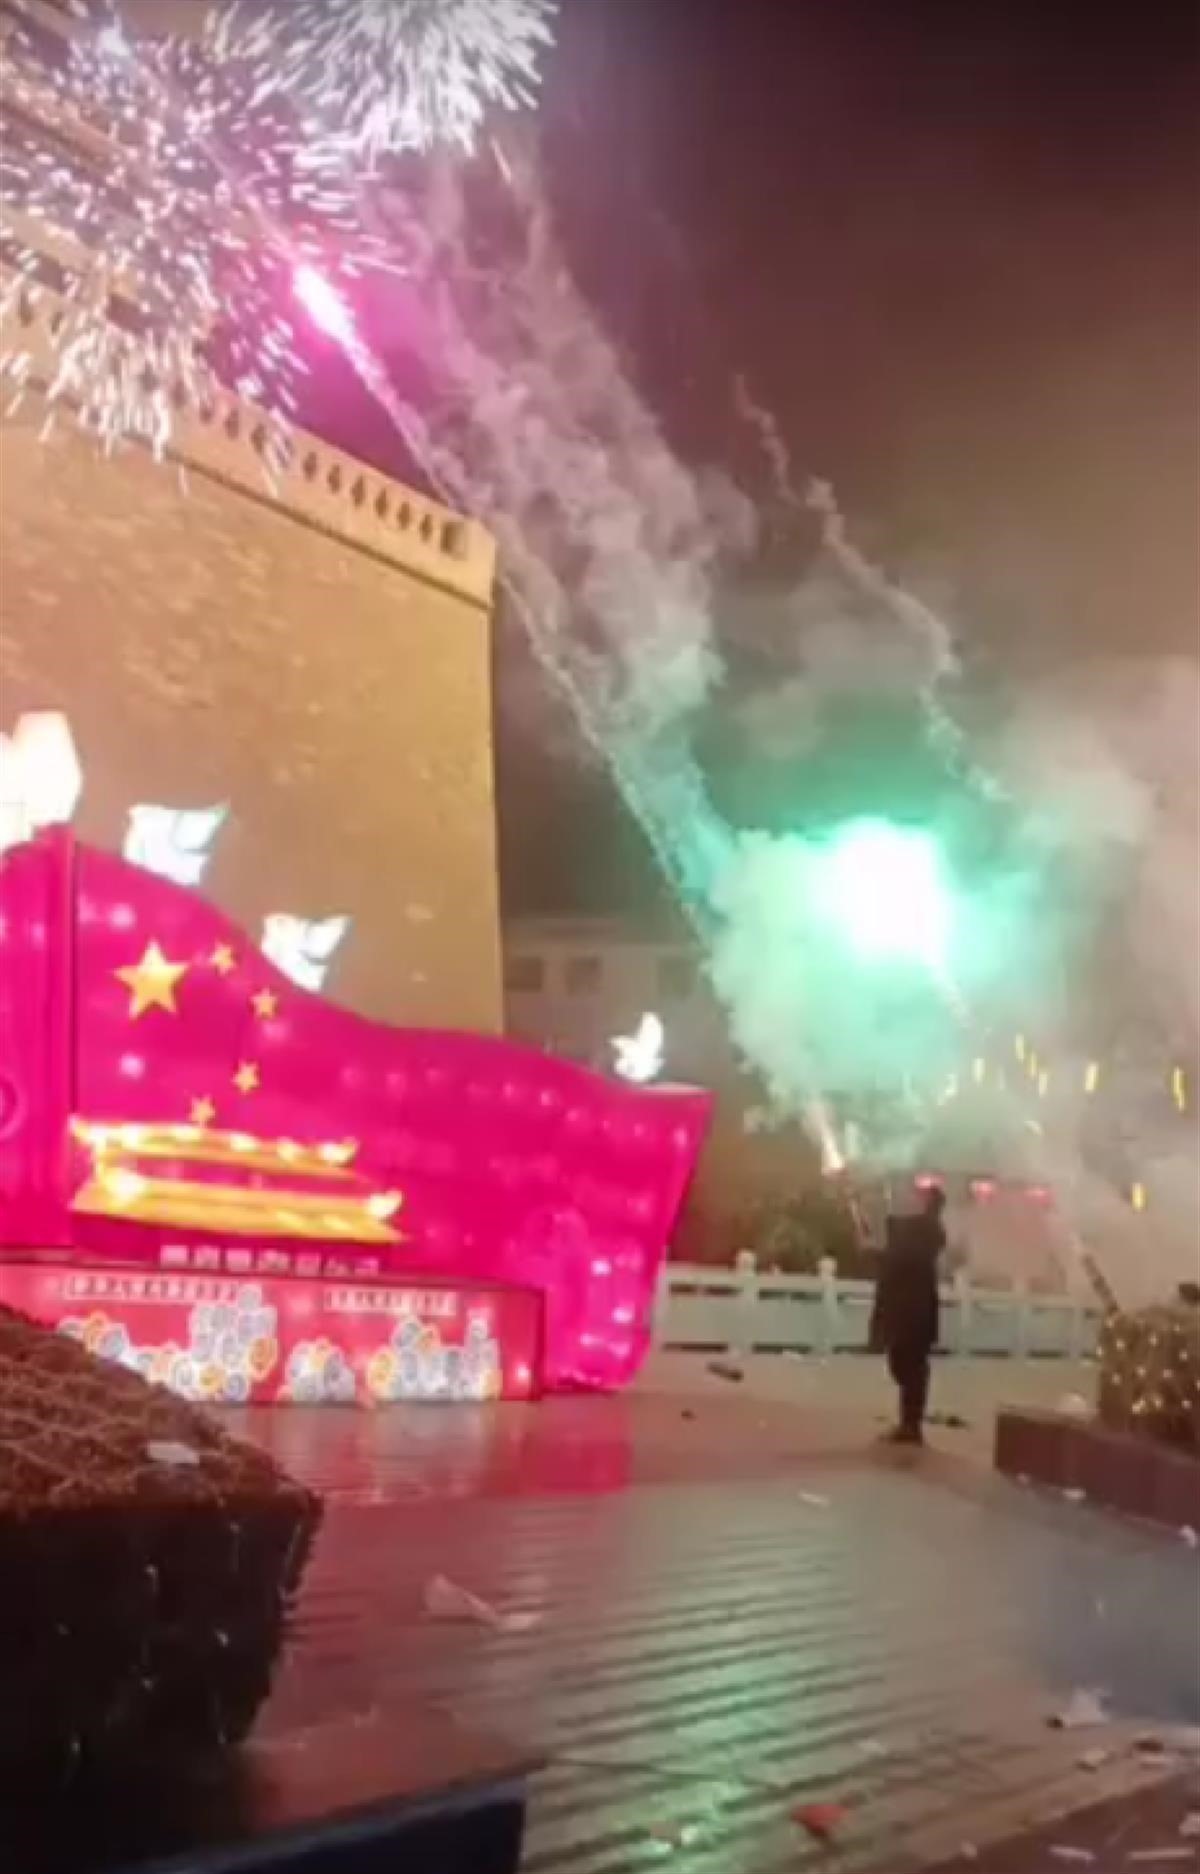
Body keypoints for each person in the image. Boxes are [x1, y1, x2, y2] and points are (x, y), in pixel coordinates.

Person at [870, 1186, 946, 1445]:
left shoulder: (922, 1235)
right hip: (908, 1311)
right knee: (904, 1365)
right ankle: (910, 1423)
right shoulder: (915, 1235)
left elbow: (902, 1261)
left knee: (910, 1366)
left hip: (911, 1312)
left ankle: (911, 1425)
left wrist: (879, 1254)